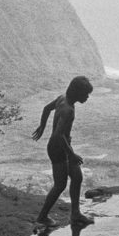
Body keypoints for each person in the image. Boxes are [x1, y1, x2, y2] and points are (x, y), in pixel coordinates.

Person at [31, 76, 94, 227]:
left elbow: (46, 108)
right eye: (85, 94)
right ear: (77, 92)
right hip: (58, 148)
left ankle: (75, 214)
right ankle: (42, 218)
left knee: (77, 176)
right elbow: (58, 135)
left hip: (63, 145)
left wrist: (42, 126)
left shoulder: (63, 98)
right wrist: (71, 155)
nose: (87, 97)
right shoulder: (68, 110)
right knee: (60, 185)